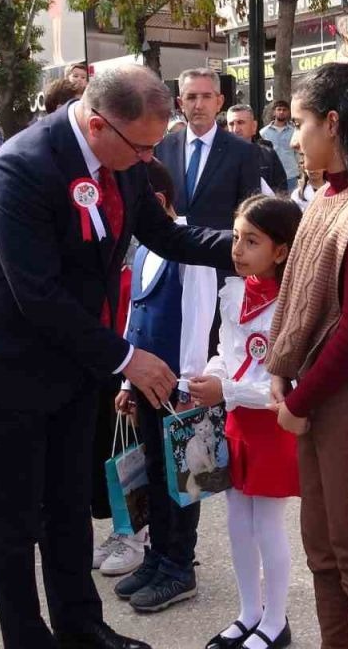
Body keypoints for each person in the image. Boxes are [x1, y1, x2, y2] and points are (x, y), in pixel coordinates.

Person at [0, 64, 235, 649]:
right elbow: (37, 294)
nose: (150, 158)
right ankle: (27, 637)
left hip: (79, 361)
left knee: (68, 503)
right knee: (13, 518)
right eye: (143, 146)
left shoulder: (126, 162)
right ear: (98, 123)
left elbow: (169, 234)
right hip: (13, 363)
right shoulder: (21, 167)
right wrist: (127, 357)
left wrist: (257, 250)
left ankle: (81, 627)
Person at [265, 63, 348, 649]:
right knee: (322, 551)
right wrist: (284, 376)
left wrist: (299, 398)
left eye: (300, 124)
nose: (293, 138)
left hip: (345, 396)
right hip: (315, 392)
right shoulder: (325, 196)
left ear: (334, 124)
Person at [192, 195, 302, 649]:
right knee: (237, 521)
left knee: (267, 525)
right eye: (236, 237)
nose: (237, 249)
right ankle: (248, 612)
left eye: (251, 241)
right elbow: (228, 353)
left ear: (280, 251)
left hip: (270, 426)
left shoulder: (293, 303)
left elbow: (285, 387)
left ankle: (275, 621)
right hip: (235, 420)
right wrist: (209, 379)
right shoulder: (233, 289)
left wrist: (229, 391)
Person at [107, 162, 217, 604]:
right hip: (148, 381)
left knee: (184, 479)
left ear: (154, 201)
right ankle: (157, 554)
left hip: (179, 384)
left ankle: (179, 566)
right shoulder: (145, 249)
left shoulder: (187, 244)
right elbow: (136, 314)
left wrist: (191, 384)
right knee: (153, 469)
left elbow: (198, 316)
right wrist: (128, 382)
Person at [154, 69, 263, 231]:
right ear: (180, 103)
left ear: (219, 102)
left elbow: (249, 214)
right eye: (191, 97)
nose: (199, 105)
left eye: (206, 96)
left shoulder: (243, 152)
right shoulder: (162, 148)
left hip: (219, 252)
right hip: (170, 249)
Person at [227, 103, 285, 194]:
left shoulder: (268, 155)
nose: (235, 129)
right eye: (231, 124)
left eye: (240, 123)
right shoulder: (219, 158)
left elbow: (281, 191)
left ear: (254, 126)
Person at [260, 99, 299, 190]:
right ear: (274, 112)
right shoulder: (263, 132)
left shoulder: (294, 131)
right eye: (279, 109)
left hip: (291, 174)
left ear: (288, 112)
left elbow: (297, 152)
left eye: (284, 110)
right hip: (272, 175)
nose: (281, 112)